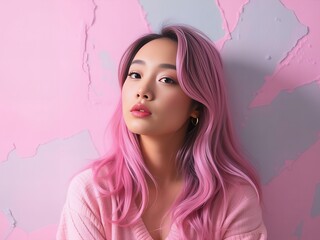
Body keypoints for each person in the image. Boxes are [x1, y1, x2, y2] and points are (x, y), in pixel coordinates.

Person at [57, 25, 267, 240]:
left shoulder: (233, 199)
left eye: (167, 80)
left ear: (197, 105)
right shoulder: (92, 192)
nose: (143, 91)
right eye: (135, 74)